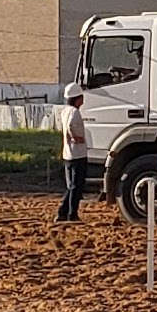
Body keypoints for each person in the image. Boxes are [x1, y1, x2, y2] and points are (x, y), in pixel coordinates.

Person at [56, 91, 94, 221]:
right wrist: (75, 137)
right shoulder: (74, 112)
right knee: (76, 186)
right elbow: (71, 125)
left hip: (68, 154)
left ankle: (63, 212)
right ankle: (71, 214)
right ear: (76, 99)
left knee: (71, 186)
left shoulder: (65, 111)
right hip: (77, 154)